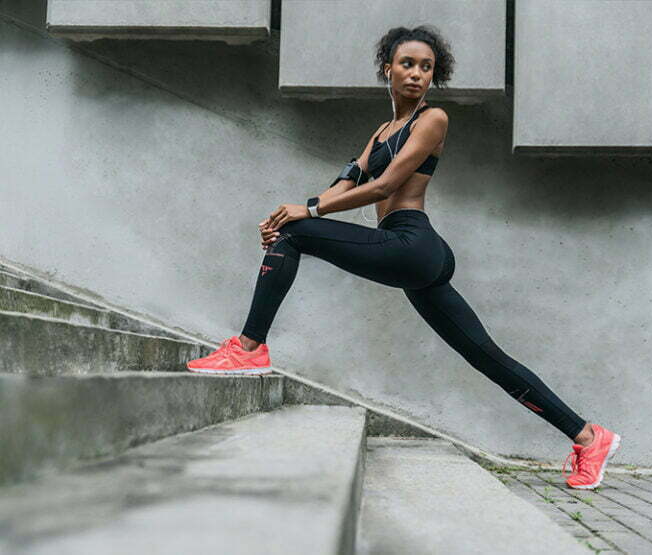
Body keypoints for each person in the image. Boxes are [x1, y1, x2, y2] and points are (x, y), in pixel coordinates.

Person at [186, 25, 621, 489]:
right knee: (486, 357)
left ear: (434, 76)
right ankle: (589, 437)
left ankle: (250, 349)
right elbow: (347, 183)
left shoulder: (432, 119)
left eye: (426, 67)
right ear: (387, 69)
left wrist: (304, 214)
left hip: (412, 243)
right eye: (407, 64)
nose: (416, 74)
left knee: (297, 231)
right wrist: (289, 219)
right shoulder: (381, 131)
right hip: (412, 256)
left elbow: (385, 186)